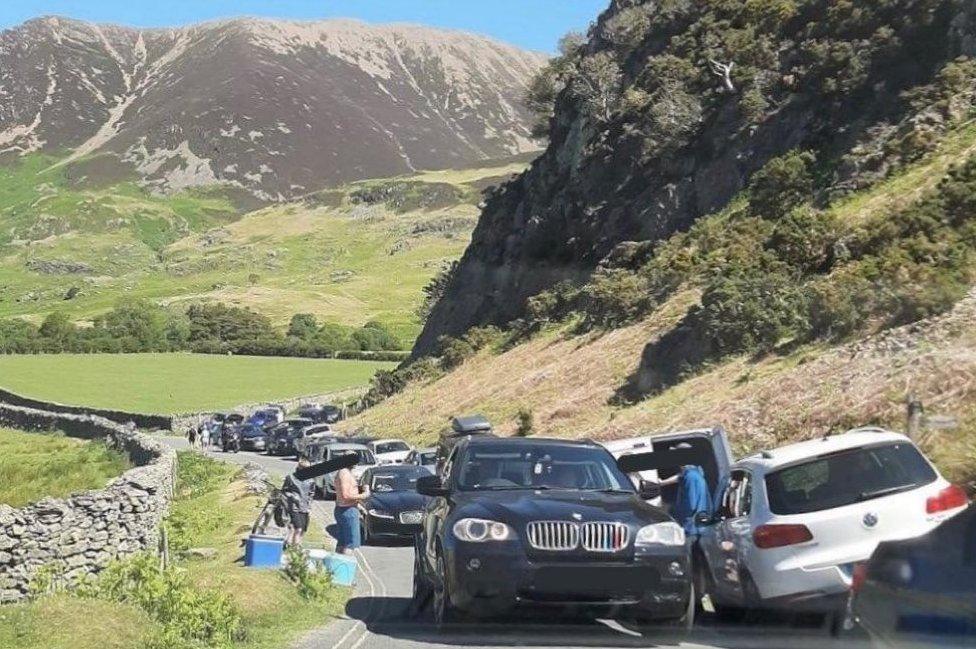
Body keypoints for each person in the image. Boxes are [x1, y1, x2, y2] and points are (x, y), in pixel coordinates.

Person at [669, 464, 713, 538]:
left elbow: (690, 505)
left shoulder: (690, 477)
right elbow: (679, 477)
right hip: (700, 524)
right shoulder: (696, 475)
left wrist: (675, 513)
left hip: (692, 527)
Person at [334, 465, 370, 555]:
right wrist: (364, 494)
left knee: (342, 542)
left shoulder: (342, 472)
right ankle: (346, 567)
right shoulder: (344, 474)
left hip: (344, 508)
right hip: (348, 509)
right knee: (350, 545)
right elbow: (346, 495)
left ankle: (336, 566)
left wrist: (359, 506)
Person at [282, 458, 315, 548]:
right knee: (298, 528)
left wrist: (309, 505)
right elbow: (284, 491)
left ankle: (293, 544)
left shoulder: (311, 480)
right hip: (294, 507)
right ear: (299, 468)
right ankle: (295, 548)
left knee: (303, 529)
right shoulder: (291, 478)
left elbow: (311, 493)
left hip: (305, 508)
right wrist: (292, 496)